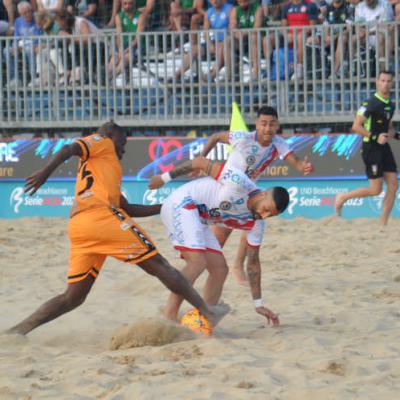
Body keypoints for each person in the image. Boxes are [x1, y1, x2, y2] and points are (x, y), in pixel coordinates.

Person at [5, 122, 229, 336]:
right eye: (122, 142)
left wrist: (168, 205)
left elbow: (127, 208)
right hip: (101, 219)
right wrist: (45, 173)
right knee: (160, 266)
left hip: (80, 227)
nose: (123, 148)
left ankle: (18, 331)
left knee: (73, 297)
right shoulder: (102, 141)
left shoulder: (103, 169)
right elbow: (68, 149)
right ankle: (207, 311)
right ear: (111, 135)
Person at [150, 106, 314, 285]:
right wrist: (201, 158)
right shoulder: (243, 138)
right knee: (219, 240)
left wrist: (304, 167)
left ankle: (235, 265)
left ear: (277, 125)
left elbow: (295, 161)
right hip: (227, 187)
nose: (268, 128)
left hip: (248, 192)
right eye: (264, 124)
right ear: (257, 124)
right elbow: (215, 137)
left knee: (253, 223)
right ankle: (195, 268)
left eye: (272, 124)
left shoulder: (278, 143)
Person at [150, 160, 290, 325]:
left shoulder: (257, 223)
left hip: (200, 219)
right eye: (266, 209)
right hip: (182, 203)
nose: (264, 216)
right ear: (262, 195)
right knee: (197, 262)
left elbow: (253, 264)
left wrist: (258, 304)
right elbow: (199, 162)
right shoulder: (239, 183)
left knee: (220, 269)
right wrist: (164, 178)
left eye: (270, 215)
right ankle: (169, 319)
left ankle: (204, 322)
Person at [335, 70, 399, 227]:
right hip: (371, 148)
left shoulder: (391, 104)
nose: (385, 84)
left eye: (388, 81)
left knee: (393, 185)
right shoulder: (370, 103)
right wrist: (375, 137)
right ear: (377, 82)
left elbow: (388, 127)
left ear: (392, 83)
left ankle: (382, 225)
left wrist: (397, 136)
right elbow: (356, 126)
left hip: (384, 148)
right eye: (382, 80)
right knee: (376, 190)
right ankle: (343, 197)